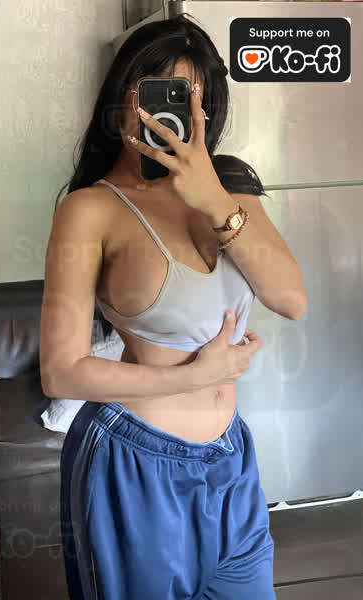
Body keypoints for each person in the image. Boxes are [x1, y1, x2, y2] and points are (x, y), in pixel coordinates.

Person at [40, 13, 306, 600]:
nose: (173, 114)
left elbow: (291, 299)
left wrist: (212, 196)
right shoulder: (90, 210)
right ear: (123, 98)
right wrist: (199, 375)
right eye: (159, 91)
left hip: (230, 458)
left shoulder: (232, 190)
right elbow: (61, 372)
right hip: (133, 464)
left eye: (192, 98)